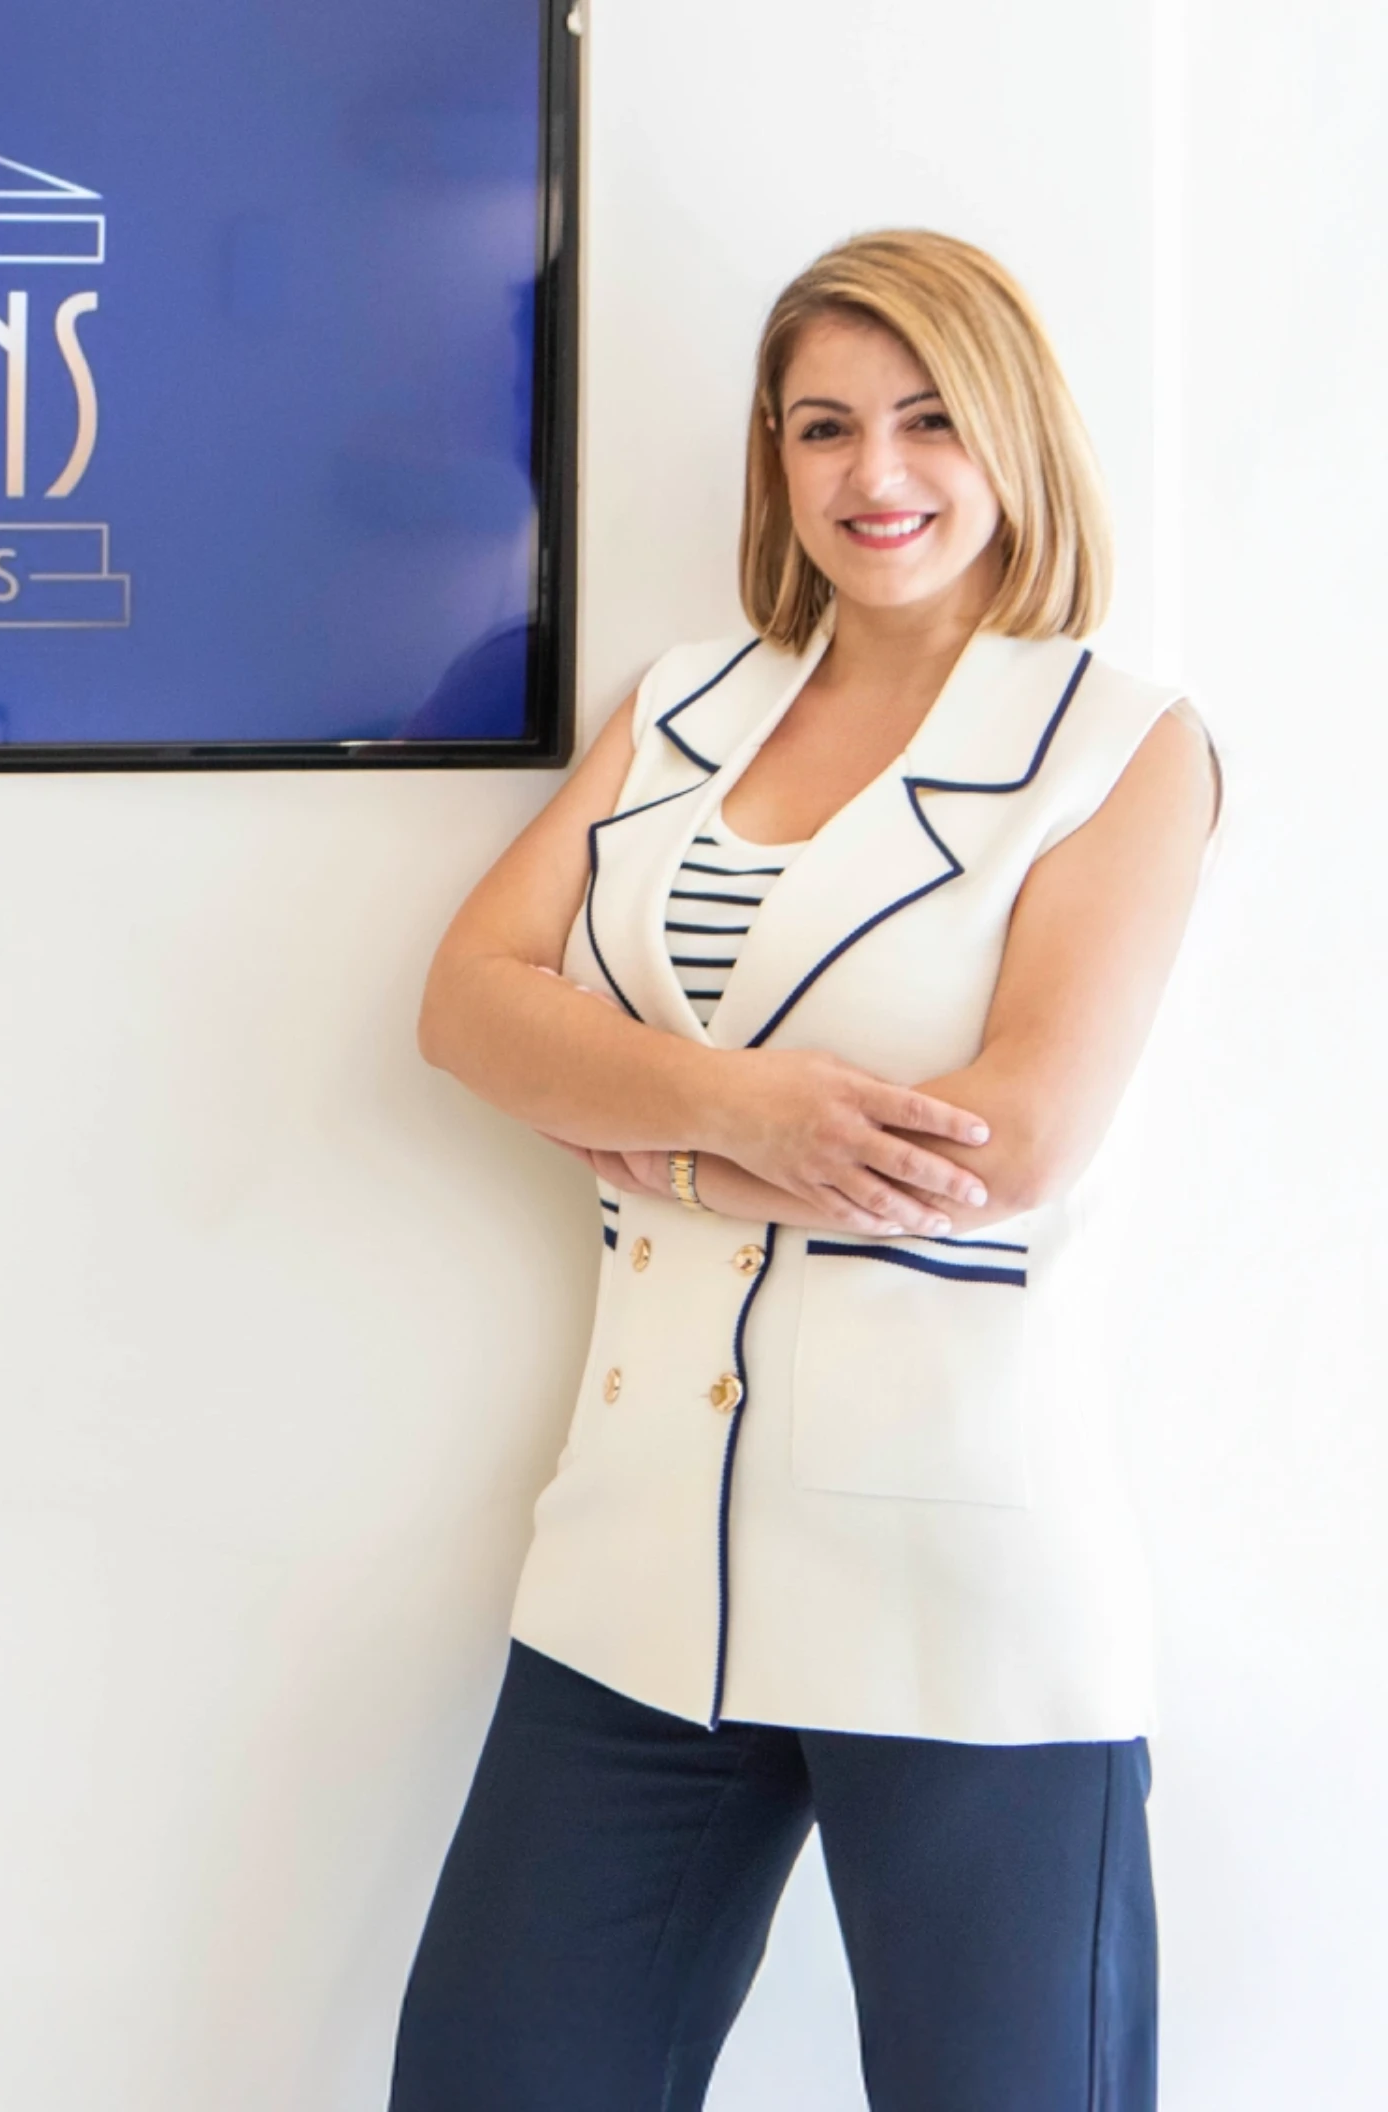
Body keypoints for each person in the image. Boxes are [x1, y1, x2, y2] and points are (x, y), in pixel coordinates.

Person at [387, 228, 1222, 2112]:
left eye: (928, 419)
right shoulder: (686, 705)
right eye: (822, 426)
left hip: (955, 1590)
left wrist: (644, 1131)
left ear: (1014, 434)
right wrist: (744, 1109)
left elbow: (1004, 1147)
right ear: (773, 455)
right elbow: (466, 1002)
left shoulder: (1117, 747)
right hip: (634, 1572)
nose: (875, 473)